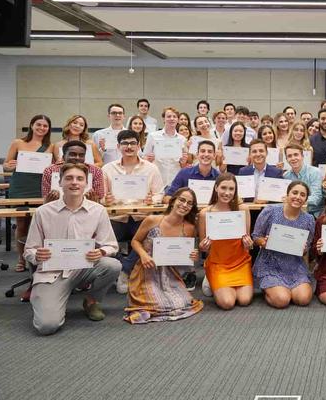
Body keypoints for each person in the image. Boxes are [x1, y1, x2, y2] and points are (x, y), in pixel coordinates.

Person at [25, 163, 121, 335]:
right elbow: (29, 250)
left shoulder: (98, 211)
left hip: (83, 268)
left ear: (86, 183)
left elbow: (112, 245)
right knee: (47, 326)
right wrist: (37, 255)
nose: (74, 183)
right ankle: (50, 298)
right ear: (60, 182)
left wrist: (101, 252)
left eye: (79, 179)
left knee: (112, 265)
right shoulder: (43, 212)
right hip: (52, 273)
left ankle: (91, 301)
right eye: (68, 178)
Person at [124, 188, 204, 324]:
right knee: (159, 305)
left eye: (189, 203)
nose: (185, 205)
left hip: (171, 273)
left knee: (182, 303)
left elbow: (184, 258)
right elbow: (135, 241)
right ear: (173, 201)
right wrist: (143, 255)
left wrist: (193, 255)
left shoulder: (190, 228)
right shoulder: (152, 220)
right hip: (147, 271)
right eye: (182, 200)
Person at [102, 130, 165, 292]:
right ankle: (124, 267)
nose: (129, 147)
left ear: (139, 146)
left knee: (153, 237)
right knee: (100, 241)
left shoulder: (151, 168)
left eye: (132, 143)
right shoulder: (108, 169)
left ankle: (124, 271)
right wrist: (105, 200)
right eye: (124, 143)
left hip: (141, 217)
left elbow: (160, 193)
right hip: (117, 218)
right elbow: (101, 197)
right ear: (118, 146)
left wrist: (153, 200)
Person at [4, 114, 56, 272]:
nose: (41, 128)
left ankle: (38, 258)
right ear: (32, 125)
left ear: (48, 129)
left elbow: (57, 166)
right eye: (38, 125)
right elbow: (6, 166)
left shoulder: (52, 146)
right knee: (21, 224)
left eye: (45, 126)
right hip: (21, 186)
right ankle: (21, 258)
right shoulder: (18, 142)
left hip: (40, 187)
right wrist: (10, 165)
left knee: (39, 225)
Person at [252, 181, 316, 308]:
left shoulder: (309, 219)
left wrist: (303, 249)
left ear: (306, 199)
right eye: (295, 193)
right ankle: (270, 289)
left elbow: (306, 248)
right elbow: (255, 237)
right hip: (271, 264)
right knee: (282, 300)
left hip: (295, 265)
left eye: (302, 195)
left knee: (303, 299)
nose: (298, 197)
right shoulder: (270, 211)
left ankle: (285, 289)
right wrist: (264, 242)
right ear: (287, 194)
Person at [197, 174, 254, 308]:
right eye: (223, 188)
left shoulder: (243, 210)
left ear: (235, 191)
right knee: (227, 303)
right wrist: (204, 245)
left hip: (240, 262)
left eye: (231, 189)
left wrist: (249, 243)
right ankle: (211, 279)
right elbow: (202, 247)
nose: (227, 193)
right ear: (216, 187)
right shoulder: (205, 213)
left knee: (244, 300)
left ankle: (218, 286)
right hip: (218, 263)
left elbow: (248, 242)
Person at [144, 107, 190, 188]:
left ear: (178, 120)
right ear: (163, 119)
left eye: (174, 116)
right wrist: (148, 159)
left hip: (175, 181)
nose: (172, 119)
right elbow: (144, 159)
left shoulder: (182, 139)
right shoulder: (153, 136)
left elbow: (183, 165)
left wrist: (183, 162)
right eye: (168, 116)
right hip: (156, 179)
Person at [283, 143, 324, 217]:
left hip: (312, 213)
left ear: (302, 156)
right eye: (289, 156)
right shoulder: (286, 176)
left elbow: (316, 198)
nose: (293, 158)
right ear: (286, 159)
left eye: (296, 155)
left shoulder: (315, 172)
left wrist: (296, 200)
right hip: (292, 213)